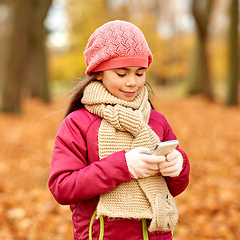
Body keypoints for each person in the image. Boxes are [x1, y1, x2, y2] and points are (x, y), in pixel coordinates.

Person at [48, 20, 190, 240]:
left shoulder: (156, 121)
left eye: (140, 73)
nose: (132, 82)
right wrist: (124, 167)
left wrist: (178, 164)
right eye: (122, 74)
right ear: (98, 73)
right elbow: (62, 187)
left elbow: (176, 187)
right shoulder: (78, 123)